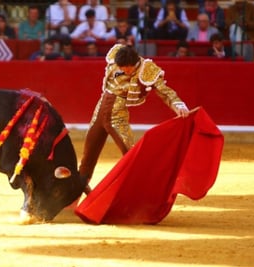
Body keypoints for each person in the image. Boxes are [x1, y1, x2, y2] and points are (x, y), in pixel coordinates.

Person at [79, 44, 189, 181]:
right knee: (88, 155)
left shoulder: (147, 69)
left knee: (131, 154)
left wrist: (177, 104)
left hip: (117, 115)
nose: (123, 70)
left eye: (126, 68)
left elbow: (164, 91)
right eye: (120, 67)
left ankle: (142, 186)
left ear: (133, 64)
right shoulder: (116, 57)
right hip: (100, 109)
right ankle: (78, 191)